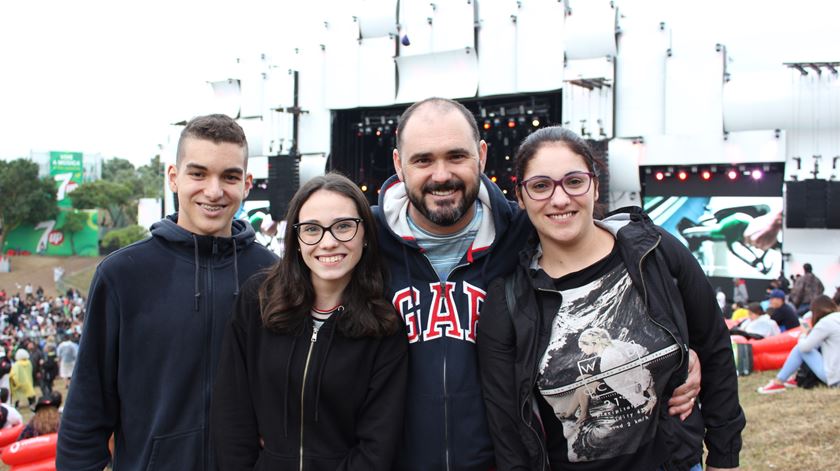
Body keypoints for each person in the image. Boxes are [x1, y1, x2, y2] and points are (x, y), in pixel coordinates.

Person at [374, 97, 701, 470]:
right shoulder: (362, 241)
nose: (441, 174)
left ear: (481, 156)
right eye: (423, 160)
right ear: (399, 164)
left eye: (456, 156)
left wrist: (684, 355)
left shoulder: (525, 235)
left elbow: (602, 253)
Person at [477, 126, 744, 471]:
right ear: (521, 196)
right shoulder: (509, 299)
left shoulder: (655, 252)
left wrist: (725, 458)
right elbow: (507, 426)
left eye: (574, 181)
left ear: (595, 185)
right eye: (541, 186)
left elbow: (714, 348)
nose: (560, 199)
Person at [56, 114, 278, 470]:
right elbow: (87, 408)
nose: (214, 190)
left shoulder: (273, 275)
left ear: (247, 184)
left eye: (230, 176)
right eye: (198, 173)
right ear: (173, 178)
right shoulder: (122, 275)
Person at [211, 173, 408, 469]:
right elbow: (231, 414)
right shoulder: (258, 302)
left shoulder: (384, 324)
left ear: (365, 235)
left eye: (343, 226)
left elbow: (378, 446)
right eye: (312, 229)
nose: (328, 242)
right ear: (297, 239)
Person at [758, 295, 840, 393]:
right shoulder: (836, 318)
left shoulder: (825, 323)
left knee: (799, 349)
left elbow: (804, 347)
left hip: (835, 378)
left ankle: (778, 382)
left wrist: (804, 334)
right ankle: (792, 377)